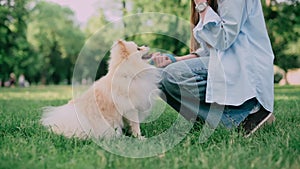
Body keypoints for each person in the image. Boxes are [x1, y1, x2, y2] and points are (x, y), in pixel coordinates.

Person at [151, 0, 275, 137]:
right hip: (228, 62)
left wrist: (202, 6)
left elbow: (223, 39)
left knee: (172, 74)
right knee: (158, 76)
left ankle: (249, 113)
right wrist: (176, 60)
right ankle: (209, 122)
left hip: (245, 66)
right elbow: (210, 49)